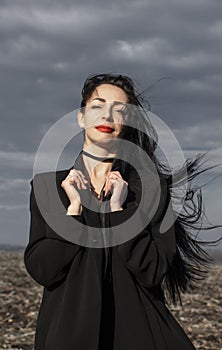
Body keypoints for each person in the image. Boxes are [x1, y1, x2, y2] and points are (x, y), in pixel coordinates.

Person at [24, 73, 222, 350]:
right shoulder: (48, 187)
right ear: (81, 117)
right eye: (98, 106)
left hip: (139, 335)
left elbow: (152, 271)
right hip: (68, 336)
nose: (107, 116)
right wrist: (74, 209)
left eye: (119, 111)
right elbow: (44, 270)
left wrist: (119, 210)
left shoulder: (153, 190)